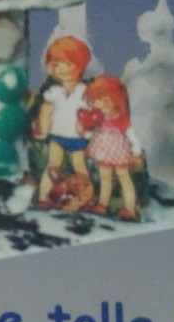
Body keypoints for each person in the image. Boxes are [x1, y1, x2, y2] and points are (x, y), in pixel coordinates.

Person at [33, 36, 92, 209]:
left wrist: (88, 132)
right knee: (52, 166)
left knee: (80, 169)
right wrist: (43, 130)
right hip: (57, 135)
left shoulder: (85, 92)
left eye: (67, 63)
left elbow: (91, 116)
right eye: (57, 64)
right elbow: (46, 111)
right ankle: (44, 198)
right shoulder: (54, 92)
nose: (62, 69)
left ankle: (84, 199)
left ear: (80, 64)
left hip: (77, 137)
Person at [83, 75, 143, 221]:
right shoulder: (99, 118)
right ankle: (102, 204)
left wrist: (136, 152)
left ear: (116, 100)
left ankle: (130, 209)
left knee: (124, 178)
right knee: (105, 178)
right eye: (95, 100)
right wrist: (86, 132)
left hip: (119, 152)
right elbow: (92, 132)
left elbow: (132, 135)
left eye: (105, 100)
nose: (99, 104)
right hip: (103, 151)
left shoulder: (121, 119)